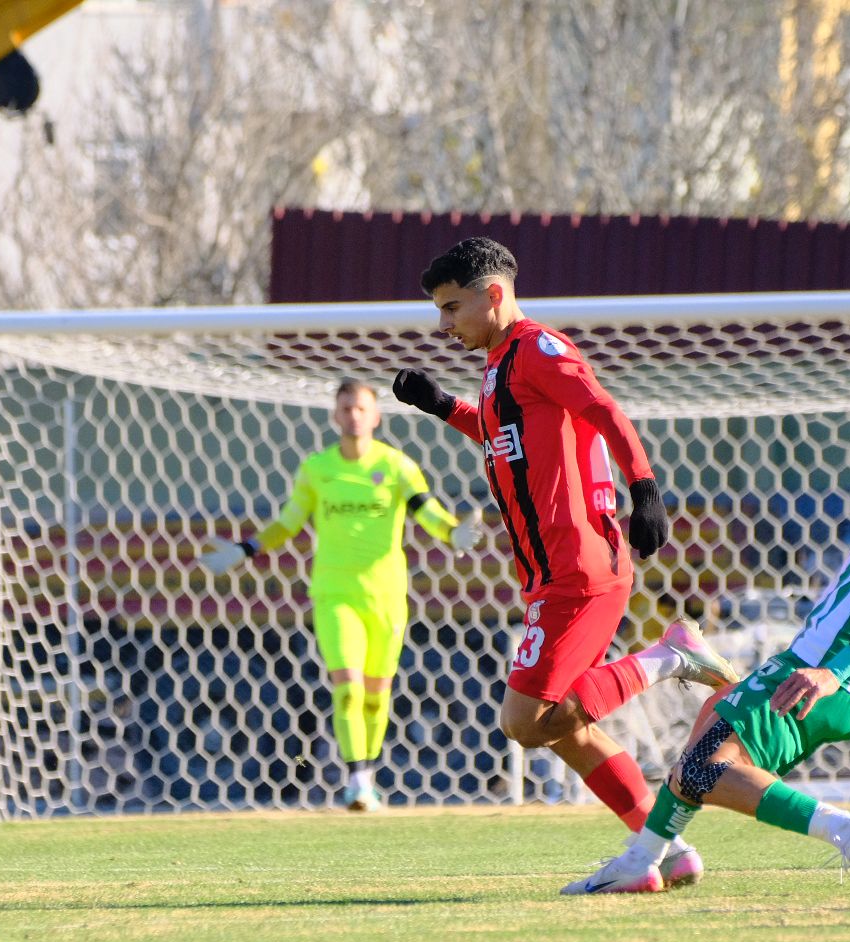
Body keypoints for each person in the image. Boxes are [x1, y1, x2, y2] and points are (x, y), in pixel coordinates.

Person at [560, 373, 850, 894]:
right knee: (714, 721)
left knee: (702, 771)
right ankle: (647, 857)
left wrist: (832, 670)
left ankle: (847, 830)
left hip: (828, 667)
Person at [392, 236, 737, 885]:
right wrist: (443, 406)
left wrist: (646, 490)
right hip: (551, 573)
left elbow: (602, 409)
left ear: (493, 296)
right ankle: (661, 850)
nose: (443, 325)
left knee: (524, 722)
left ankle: (671, 656)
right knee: (561, 726)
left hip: (579, 566)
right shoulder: (499, 365)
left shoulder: (538, 349)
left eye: (451, 307)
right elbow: (503, 432)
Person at [199, 379, 479, 811]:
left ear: (376, 416)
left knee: (376, 692)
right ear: (335, 415)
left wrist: (453, 533)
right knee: (346, 687)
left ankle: (367, 776)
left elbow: (428, 513)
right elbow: (288, 523)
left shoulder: (398, 466)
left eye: (361, 408)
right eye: (346, 408)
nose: (353, 416)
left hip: (386, 596)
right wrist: (244, 550)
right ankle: (358, 782)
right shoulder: (318, 469)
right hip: (334, 594)